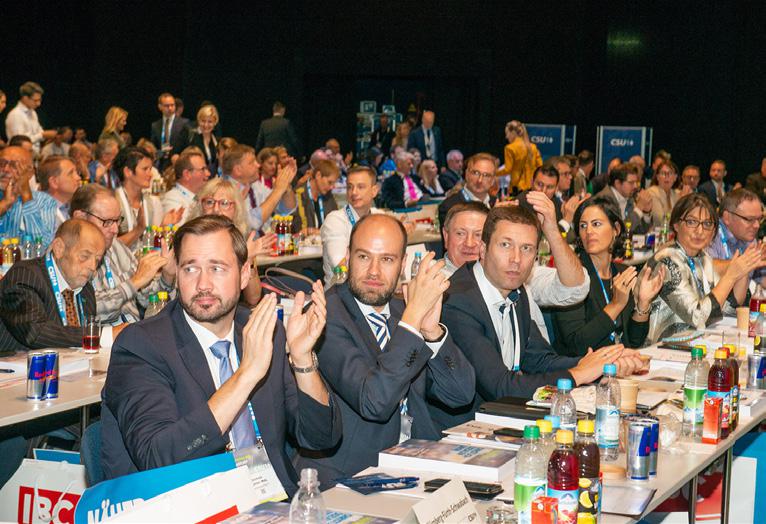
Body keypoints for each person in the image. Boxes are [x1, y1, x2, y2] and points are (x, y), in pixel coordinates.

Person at [100, 215, 341, 494]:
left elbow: (321, 438)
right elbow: (159, 458)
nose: (203, 284)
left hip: (272, 501)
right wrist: (245, 375)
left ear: (245, 274)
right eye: (190, 269)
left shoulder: (261, 331)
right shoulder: (142, 345)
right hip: (190, 505)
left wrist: (302, 360)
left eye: (217, 268)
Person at [296, 214, 475, 485]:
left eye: (387, 259)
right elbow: (374, 402)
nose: (374, 272)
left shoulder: (403, 312)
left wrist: (432, 332)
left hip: (415, 461)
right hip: (352, 475)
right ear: (347, 257)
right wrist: (412, 321)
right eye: (363, 257)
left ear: (402, 264)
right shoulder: (324, 317)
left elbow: (460, 395)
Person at [434, 206, 640, 428]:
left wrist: (601, 362)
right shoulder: (457, 301)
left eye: (526, 248)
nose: (516, 259)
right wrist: (578, 374)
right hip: (459, 430)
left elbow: (540, 360)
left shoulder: (516, 290)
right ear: (483, 249)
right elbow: (500, 387)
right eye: (505, 245)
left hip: (499, 421)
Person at [442, 193, 590, 343]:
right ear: (446, 236)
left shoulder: (515, 274)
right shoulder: (436, 285)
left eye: (478, 235)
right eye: (460, 233)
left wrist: (551, 230)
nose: (469, 243)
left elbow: (575, 288)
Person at [552, 197, 665, 356]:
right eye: (583, 226)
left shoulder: (621, 272)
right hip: (583, 367)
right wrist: (615, 305)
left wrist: (643, 304)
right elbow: (576, 346)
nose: (588, 231)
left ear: (616, 229)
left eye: (596, 224)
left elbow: (634, 341)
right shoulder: (571, 278)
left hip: (617, 363)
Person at [647, 194, 762, 343]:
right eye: (692, 222)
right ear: (676, 224)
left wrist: (744, 268)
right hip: (662, 348)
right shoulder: (667, 260)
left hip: (694, 343)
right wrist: (730, 276)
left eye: (707, 224)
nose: (700, 231)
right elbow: (698, 316)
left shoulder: (703, 258)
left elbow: (725, 310)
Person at [71, 185, 174, 331]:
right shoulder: (67, 255)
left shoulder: (116, 246)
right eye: (107, 222)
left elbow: (145, 299)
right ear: (80, 218)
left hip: (134, 330)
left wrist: (167, 276)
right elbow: (88, 309)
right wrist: (134, 283)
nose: (115, 230)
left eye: (118, 220)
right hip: (99, 338)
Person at [0, 219, 105, 349]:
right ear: (59, 248)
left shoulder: (86, 290)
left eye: (97, 260)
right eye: (84, 256)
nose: (92, 267)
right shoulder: (25, 275)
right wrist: (100, 335)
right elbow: (35, 333)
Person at [189, 178, 275, 306]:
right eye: (209, 202)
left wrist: (248, 260)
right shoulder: (190, 240)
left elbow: (253, 298)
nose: (216, 209)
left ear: (236, 209)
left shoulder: (241, 241)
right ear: (201, 207)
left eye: (224, 203)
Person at [114, 147, 183, 252]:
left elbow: (152, 245)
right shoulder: (113, 202)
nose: (150, 174)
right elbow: (109, 248)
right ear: (128, 172)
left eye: (150, 169)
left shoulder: (153, 202)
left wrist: (163, 227)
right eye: (145, 169)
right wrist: (138, 229)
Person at [320, 165, 380, 284]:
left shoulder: (379, 217)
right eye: (349, 187)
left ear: (374, 191)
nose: (354, 192)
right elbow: (340, 269)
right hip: (341, 290)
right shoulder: (335, 220)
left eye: (360, 187)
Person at [221, 144, 296, 232]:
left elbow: (286, 209)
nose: (258, 165)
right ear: (238, 170)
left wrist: (286, 186)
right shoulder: (224, 191)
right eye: (252, 162)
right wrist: (278, 190)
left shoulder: (255, 185)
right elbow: (251, 224)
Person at [706, 188, 766, 280]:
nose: (757, 226)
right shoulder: (709, 234)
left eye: (759, 219)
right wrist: (747, 262)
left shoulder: (749, 237)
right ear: (727, 217)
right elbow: (705, 269)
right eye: (749, 219)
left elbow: (761, 279)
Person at [0, 145, 50, 241]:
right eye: (1, 163)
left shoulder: (45, 202)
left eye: (14, 165)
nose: (5, 169)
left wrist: (26, 196)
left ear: (30, 173)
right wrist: (5, 203)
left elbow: (42, 244)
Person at [34, 155, 82, 247]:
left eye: (77, 172)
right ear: (54, 182)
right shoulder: (40, 214)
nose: (78, 177)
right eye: (71, 173)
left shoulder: (73, 207)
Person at [438, 152, 498, 227]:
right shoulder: (449, 206)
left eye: (486, 175)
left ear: (493, 180)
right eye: (475, 173)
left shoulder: (497, 205)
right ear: (466, 174)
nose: (480, 180)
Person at [594, 162, 652, 234]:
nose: (635, 186)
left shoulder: (629, 198)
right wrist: (639, 208)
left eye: (636, 182)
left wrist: (646, 212)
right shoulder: (604, 199)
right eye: (631, 182)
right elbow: (619, 232)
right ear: (617, 183)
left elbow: (640, 232)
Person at [5, 81, 56, 154]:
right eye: (35, 100)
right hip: (20, 155)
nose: (38, 104)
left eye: (40, 100)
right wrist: (42, 135)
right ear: (25, 98)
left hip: (33, 154)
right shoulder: (15, 115)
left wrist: (46, 135)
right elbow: (19, 142)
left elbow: (39, 132)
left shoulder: (33, 113)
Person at [161, 150, 210, 225]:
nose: (208, 174)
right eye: (202, 169)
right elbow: (182, 231)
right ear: (187, 174)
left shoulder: (200, 196)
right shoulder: (172, 200)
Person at [294, 158, 339, 233]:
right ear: (318, 175)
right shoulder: (299, 194)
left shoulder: (329, 196)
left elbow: (336, 223)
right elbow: (301, 230)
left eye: (334, 183)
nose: (332, 187)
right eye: (330, 182)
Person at [497, 120, 541, 193]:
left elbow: (508, 169)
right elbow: (540, 166)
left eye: (507, 134)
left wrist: (494, 173)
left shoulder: (510, 148)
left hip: (516, 187)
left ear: (512, 133)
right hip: (532, 186)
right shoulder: (533, 147)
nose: (506, 137)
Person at [150, 93, 191, 170]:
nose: (170, 108)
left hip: (178, 164)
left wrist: (180, 157)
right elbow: (153, 148)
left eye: (172, 105)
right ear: (160, 107)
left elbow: (188, 146)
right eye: (167, 106)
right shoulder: (155, 125)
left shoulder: (184, 123)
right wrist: (160, 153)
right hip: (160, 166)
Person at [646, 159, 680, 227]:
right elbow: (661, 220)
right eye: (663, 173)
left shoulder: (676, 193)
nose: (666, 176)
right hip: (657, 232)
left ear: (675, 177)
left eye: (670, 173)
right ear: (657, 177)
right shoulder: (652, 192)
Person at [189, 104, 220, 174]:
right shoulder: (190, 136)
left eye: (210, 122)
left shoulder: (217, 139)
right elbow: (176, 155)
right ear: (198, 121)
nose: (206, 125)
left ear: (215, 122)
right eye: (203, 121)